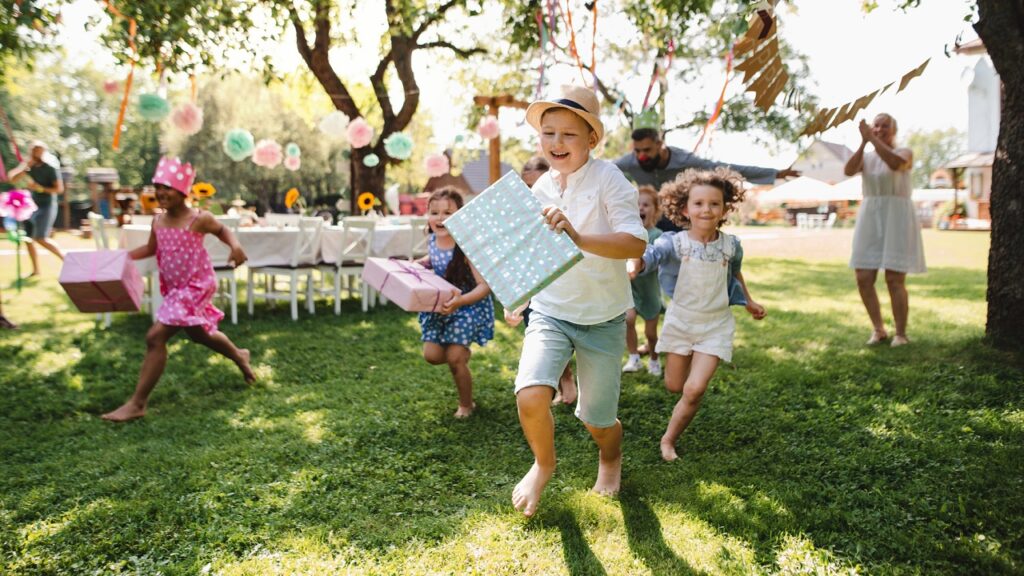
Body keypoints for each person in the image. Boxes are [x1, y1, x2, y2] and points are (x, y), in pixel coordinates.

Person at [512, 85, 647, 517]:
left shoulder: (611, 180)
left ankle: (610, 456)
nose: (556, 143)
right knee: (531, 394)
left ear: (591, 139)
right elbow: (535, 251)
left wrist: (579, 236)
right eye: (548, 133)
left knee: (597, 419)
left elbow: (635, 243)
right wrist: (521, 295)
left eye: (568, 135)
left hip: (603, 317)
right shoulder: (539, 189)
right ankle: (543, 464)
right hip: (551, 310)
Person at [102, 157, 254, 422]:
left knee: (155, 337)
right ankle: (240, 355)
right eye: (157, 186)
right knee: (200, 335)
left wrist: (235, 246)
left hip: (197, 285)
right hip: (175, 288)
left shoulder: (199, 219)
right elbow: (151, 249)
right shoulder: (158, 221)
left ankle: (137, 403)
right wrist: (123, 256)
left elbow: (222, 231)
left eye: (167, 187)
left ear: (183, 191)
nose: (161, 192)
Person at [633, 168, 766, 462]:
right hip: (681, 323)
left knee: (693, 390)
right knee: (674, 386)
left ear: (724, 208)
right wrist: (637, 265)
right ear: (685, 208)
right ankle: (690, 357)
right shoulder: (675, 243)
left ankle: (668, 440)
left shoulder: (731, 246)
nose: (706, 209)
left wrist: (749, 301)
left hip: (715, 326)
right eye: (699, 203)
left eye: (714, 204)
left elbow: (734, 275)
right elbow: (652, 256)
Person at [613, 127, 800, 232]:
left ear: (660, 145)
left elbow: (725, 168)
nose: (641, 156)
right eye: (637, 151)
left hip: (678, 217)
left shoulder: (685, 160)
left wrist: (775, 174)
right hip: (649, 217)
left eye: (647, 150)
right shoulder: (629, 161)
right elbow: (603, 169)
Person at [844, 113, 925, 347]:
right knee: (863, 277)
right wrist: (863, 142)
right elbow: (848, 170)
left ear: (894, 130)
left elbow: (894, 164)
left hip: (897, 216)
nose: (880, 129)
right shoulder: (867, 156)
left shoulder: (904, 152)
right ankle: (878, 329)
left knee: (894, 278)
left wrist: (873, 139)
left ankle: (901, 333)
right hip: (871, 214)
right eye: (876, 125)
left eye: (885, 126)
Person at [504, 155, 577, 405]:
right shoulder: (519, 218)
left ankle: (571, 380)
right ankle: (562, 380)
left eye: (536, 186)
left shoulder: (561, 211)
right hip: (534, 287)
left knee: (563, 331)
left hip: (564, 285)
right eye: (527, 187)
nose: (531, 193)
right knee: (540, 334)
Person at [417, 187, 495, 418]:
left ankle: (466, 404)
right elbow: (434, 259)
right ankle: (460, 354)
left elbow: (484, 286)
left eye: (448, 212)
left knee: (454, 359)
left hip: (466, 307)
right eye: (435, 212)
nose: (440, 218)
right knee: (431, 356)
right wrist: (417, 264)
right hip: (441, 308)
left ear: (461, 216)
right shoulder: (433, 240)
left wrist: (460, 302)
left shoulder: (467, 247)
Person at [622, 185, 663, 376]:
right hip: (630, 290)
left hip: (649, 291)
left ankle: (654, 359)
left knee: (651, 333)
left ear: (655, 210)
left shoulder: (657, 236)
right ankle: (634, 357)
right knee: (628, 320)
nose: (641, 209)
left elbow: (656, 258)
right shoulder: (625, 236)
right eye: (636, 205)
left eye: (646, 205)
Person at [7, 141, 65, 276]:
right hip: (31, 207)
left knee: (41, 238)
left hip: (47, 205)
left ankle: (67, 260)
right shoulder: (29, 166)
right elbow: (12, 178)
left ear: (43, 152)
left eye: (39, 150)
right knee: (28, 239)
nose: (36, 153)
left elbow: (59, 189)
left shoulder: (50, 168)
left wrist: (39, 188)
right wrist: (26, 167)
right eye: (33, 150)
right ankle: (36, 270)